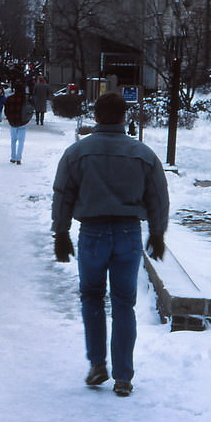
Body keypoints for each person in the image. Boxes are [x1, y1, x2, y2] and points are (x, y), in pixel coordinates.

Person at [50, 91, 169, 398]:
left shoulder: (77, 153)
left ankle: (97, 364)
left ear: (96, 116)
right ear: (124, 117)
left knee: (91, 297)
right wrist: (157, 232)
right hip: (128, 234)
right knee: (123, 303)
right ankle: (124, 377)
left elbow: (63, 194)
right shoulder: (143, 154)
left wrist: (61, 233)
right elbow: (158, 197)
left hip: (92, 233)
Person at [3, 83, 32, 164]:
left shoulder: (9, 99)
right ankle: (19, 158)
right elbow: (29, 110)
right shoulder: (25, 99)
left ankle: (13, 157)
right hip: (22, 122)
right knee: (21, 141)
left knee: (13, 140)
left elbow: (6, 110)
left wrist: (9, 118)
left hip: (12, 122)